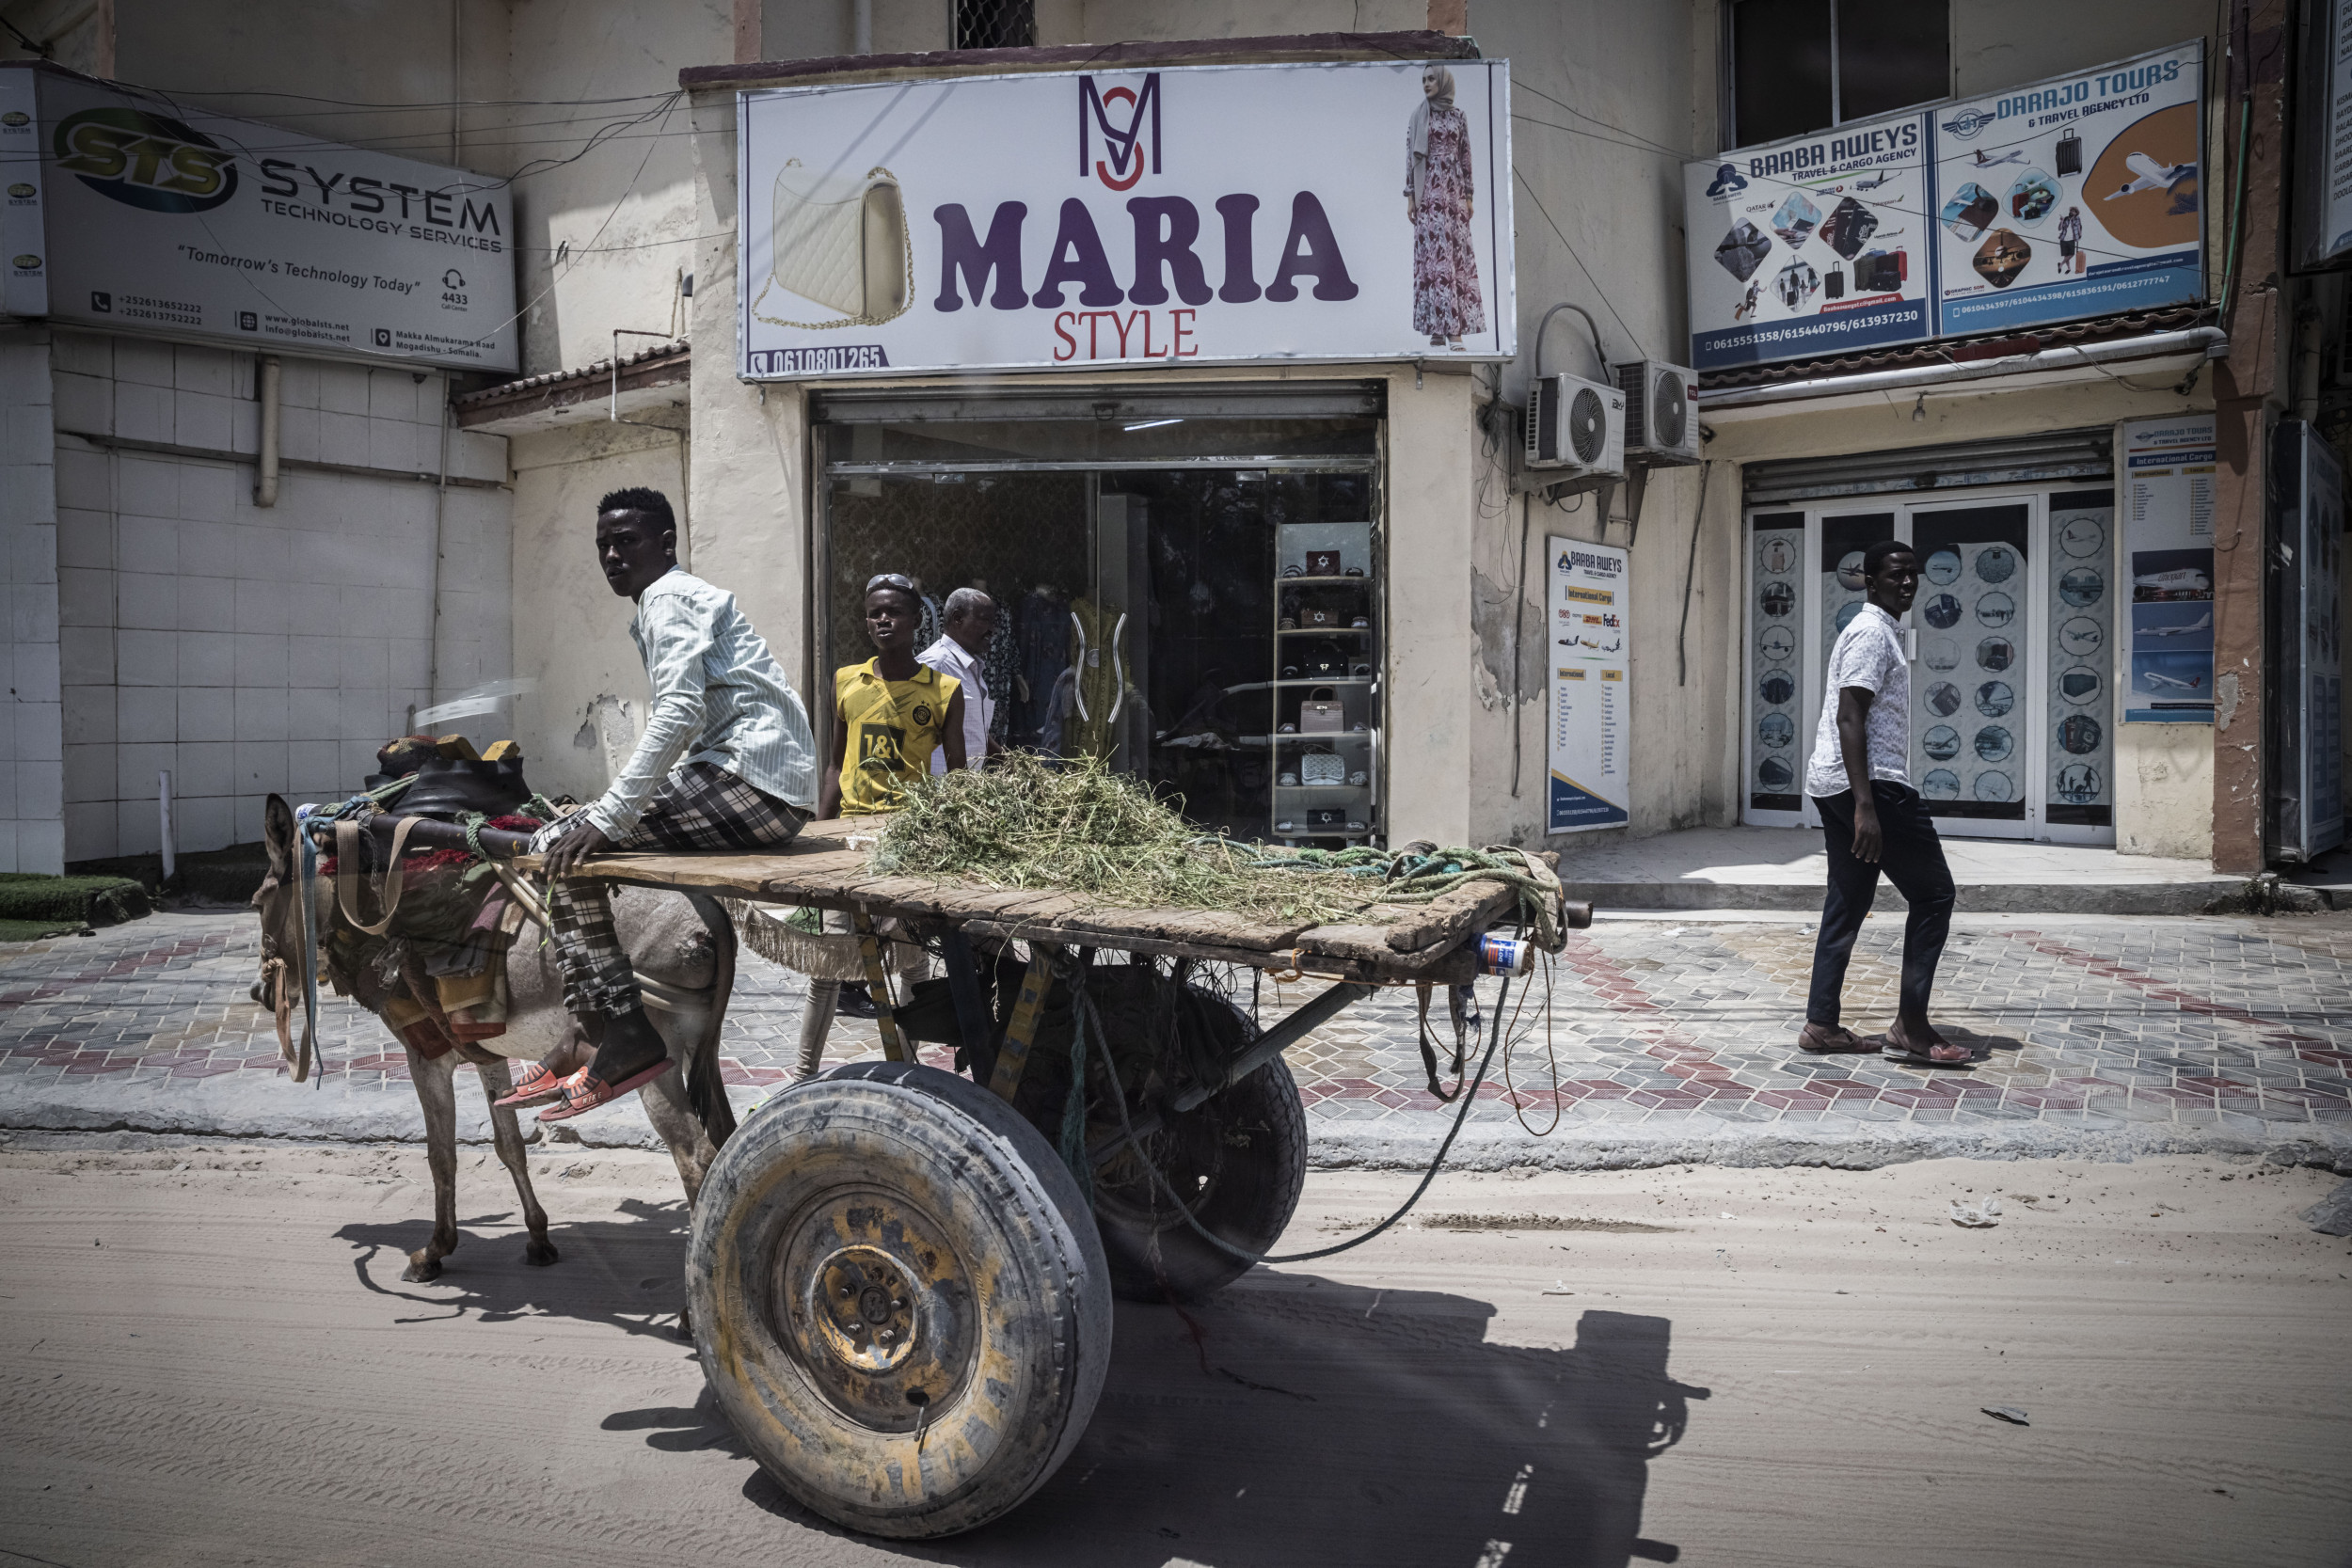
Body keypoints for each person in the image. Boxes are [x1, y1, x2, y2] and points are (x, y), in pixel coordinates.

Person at [510, 487, 820, 1120]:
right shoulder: (667, 602)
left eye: (627, 540)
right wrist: (607, 808)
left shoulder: (669, 597)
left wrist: (608, 814)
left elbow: (678, 714)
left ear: (666, 543)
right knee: (579, 833)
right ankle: (595, 1026)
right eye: (603, 544)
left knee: (552, 847)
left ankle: (616, 1029)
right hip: (753, 781)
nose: (612, 554)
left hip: (750, 783)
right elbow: (696, 724)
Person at [1797, 540, 1967, 1068]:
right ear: (1871, 582)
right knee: (1935, 894)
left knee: (1848, 901)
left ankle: (1821, 1024)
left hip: (1838, 783)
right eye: (1896, 576)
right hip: (1872, 786)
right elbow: (1851, 716)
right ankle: (1911, 1027)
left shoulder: (1881, 630)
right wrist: (1866, 807)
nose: (1908, 583)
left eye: (1914, 574)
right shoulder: (1872, 632)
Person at [803, 574, 967, 1040]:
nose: (883, 620)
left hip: (906, 839)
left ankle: (911, 1068)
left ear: (917, 620)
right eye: (875, 612)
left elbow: (956, 775)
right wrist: (817, 835)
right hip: (849, 838)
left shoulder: (943, 691)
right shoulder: (845, 682)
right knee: (828, 967)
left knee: (911, 964)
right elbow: (835, 765)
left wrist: (950, 841)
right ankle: (800, 1077)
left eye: (893, 612)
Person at [1406, 62, 1484, 350]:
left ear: (1443, 82)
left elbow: (1465, 155)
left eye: (1431, 79)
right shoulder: (1418, 117)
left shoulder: (1458, 116)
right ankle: (1440, 329)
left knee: (1453, 260)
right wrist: (1411, 197)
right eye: (1423, 80)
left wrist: (1469, 196)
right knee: (1434, 264)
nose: (1426, 84)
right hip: (1429, 197)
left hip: (1453, 194)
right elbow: (1410, 157)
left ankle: (1454, 330)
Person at [918, 586, 1001, 774]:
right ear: (958, 618)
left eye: (993, 622)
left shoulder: (971, 668)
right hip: (938, 791)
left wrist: (1012, 762)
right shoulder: (935, 665)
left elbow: (972, 730)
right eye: (985, 620)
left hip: (963, 792)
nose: (992, 630)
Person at [2058, 206, 2084, 275]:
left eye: (2073, 211)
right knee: (2066, 256)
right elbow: (2059, 229)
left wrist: (2080, 234)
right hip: (2063, 239)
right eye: (2071, 210)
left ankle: (2061, 264)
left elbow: (2079, 227)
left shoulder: (2077, 219)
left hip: (2072, 239)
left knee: (2071, 254)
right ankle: (2069, 268)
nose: (2072, 212)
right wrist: (2062, 220)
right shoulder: (2066, 218)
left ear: (2076, 213)